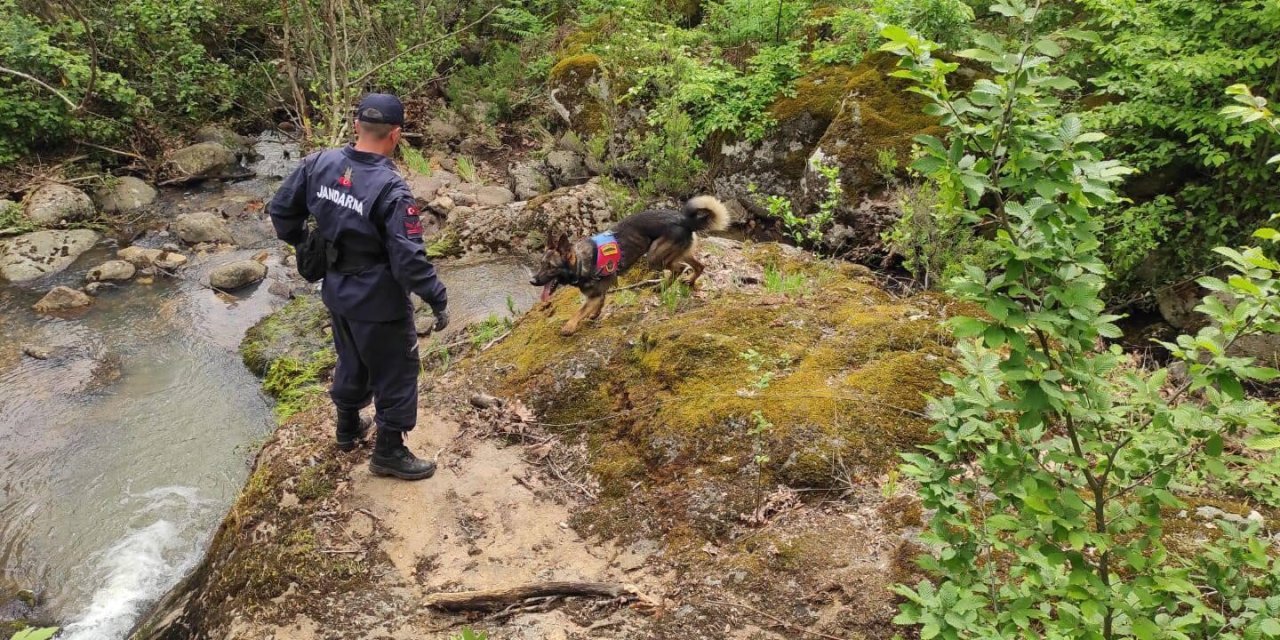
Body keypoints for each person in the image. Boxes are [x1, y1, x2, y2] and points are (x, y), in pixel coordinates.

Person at [268, 93, 448, 481]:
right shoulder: (391, 189)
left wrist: (305, 242)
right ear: (396, 135)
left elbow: (282, 210)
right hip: (379, 300)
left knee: (350, 356)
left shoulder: (319, 163)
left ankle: (347, 427)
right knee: (397, 371)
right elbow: (410, 259)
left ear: (356, 127)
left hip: (336, 289)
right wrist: (437, 298)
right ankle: (389, 452)